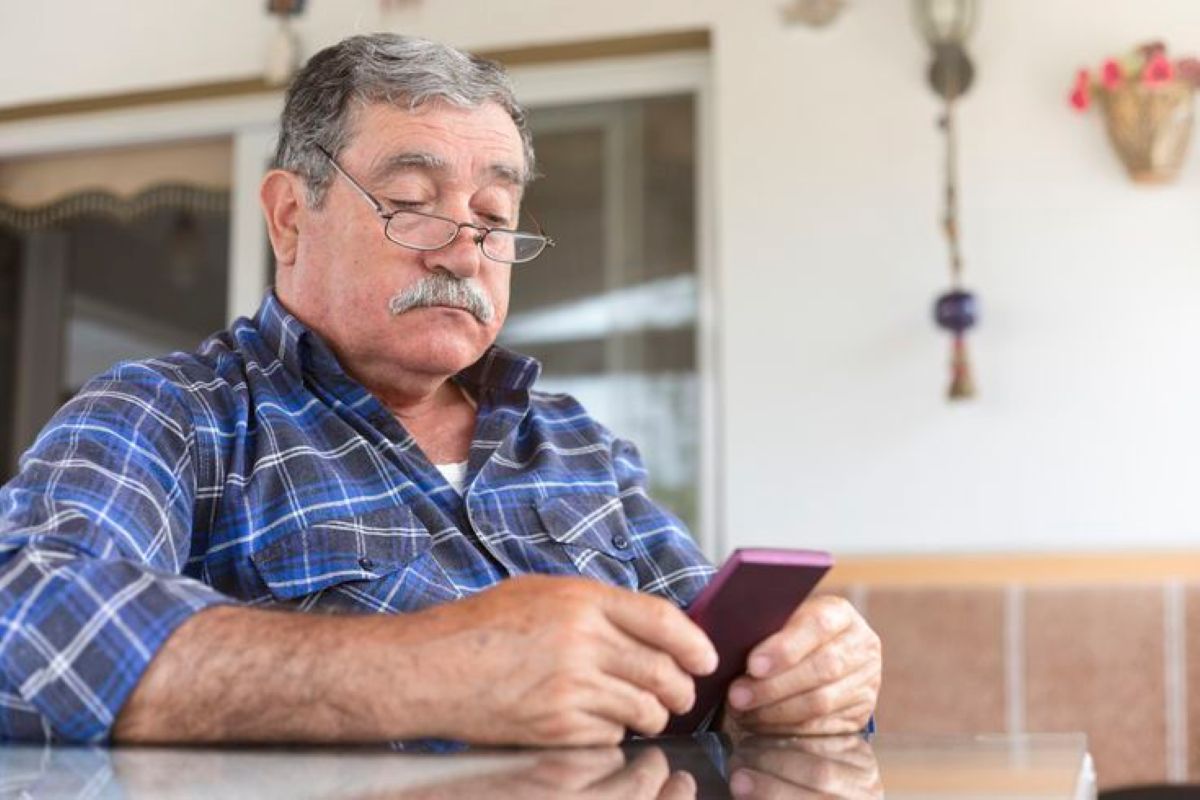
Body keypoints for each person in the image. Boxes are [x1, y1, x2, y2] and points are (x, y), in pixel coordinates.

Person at [0, 34, 880, 746]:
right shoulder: (175, 415)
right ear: (289, 218)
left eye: (494, 218)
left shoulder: (576, 444)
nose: (464, 250)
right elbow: (26, 618)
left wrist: (802, 679)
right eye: (415, 201)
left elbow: (713, 669)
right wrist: (425, 671)